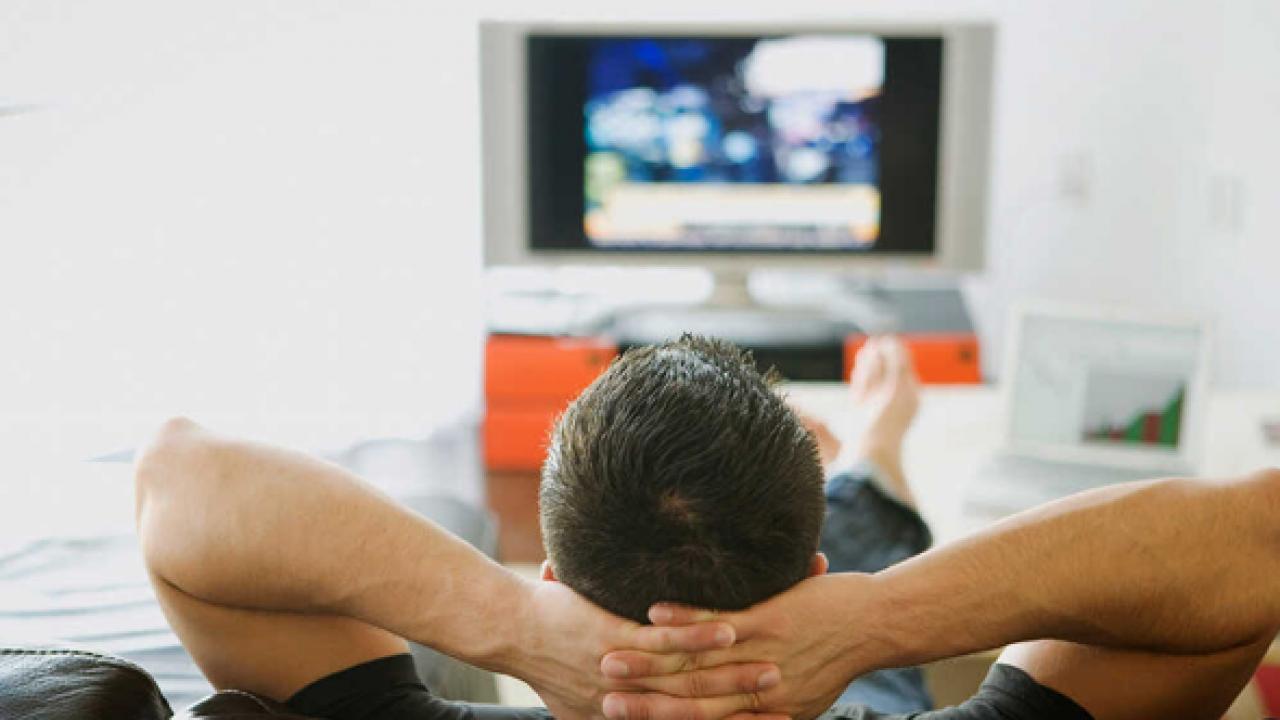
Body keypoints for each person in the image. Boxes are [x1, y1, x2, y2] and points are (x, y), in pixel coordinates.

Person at [134, 335, 1280, 720]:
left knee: (861, 511)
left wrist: (509, 625)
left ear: (549, 573)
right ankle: (868, 449)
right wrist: (877, 622)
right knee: (876, 518)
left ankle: (861, 452)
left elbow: (177, 478)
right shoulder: (855, 620)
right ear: (813, 580)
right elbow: (1256, 538)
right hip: (860, 671)